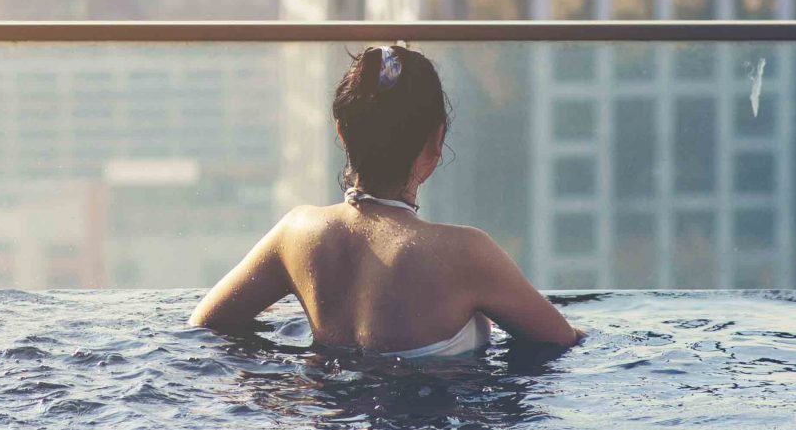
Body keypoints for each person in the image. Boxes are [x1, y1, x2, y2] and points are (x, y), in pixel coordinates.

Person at [190, 44, 583, 356]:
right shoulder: (466, 253)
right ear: (436, 141)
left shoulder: (296, 233)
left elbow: (204, 326)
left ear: (341, 133)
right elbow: (562, 341)